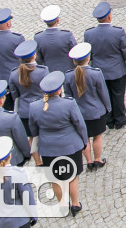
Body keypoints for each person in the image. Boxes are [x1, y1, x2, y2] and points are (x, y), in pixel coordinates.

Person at [29, 71, 87, 217]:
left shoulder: (34, 107)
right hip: (70, 146)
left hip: (48, 149)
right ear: (59, 89)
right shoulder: (69, 103)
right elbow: (80, 125)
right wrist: (84, 141)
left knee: (55, 178)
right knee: (72, 175)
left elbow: (33, 130)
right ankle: (75, 204)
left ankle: (62, 205)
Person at [83, 2, 126, 131]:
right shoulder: (118, 32)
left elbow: (89, 53)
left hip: (99, 71)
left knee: (104, 95)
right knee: (118, 94)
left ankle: (109, 119)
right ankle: (120, 119)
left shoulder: (89, 34)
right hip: (117, 70)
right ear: (109, 17)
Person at [64, 43, 109, 170]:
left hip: (79, 112)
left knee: (85, 138)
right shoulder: (95, 73)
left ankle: (88, 161)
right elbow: (103, 93)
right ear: (88, 58)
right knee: (97, 136)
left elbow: (68, 97)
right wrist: (107, 108)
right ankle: (97, 159)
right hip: (95, 111)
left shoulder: (68, 76)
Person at [9, 40, 49, 155]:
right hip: (42, 108)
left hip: (24, 110)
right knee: (45, 134)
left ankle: (37, 161)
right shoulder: (43, 71)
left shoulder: (14, 74)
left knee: (32, 137)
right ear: (34, 55)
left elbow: (15, 95)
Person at [34, 5, 77, 73]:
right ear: (58, 20)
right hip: (68, 71)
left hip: (49, 72)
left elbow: (38, 58)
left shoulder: (38, 38)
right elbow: (75, 53)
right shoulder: (67, 35)